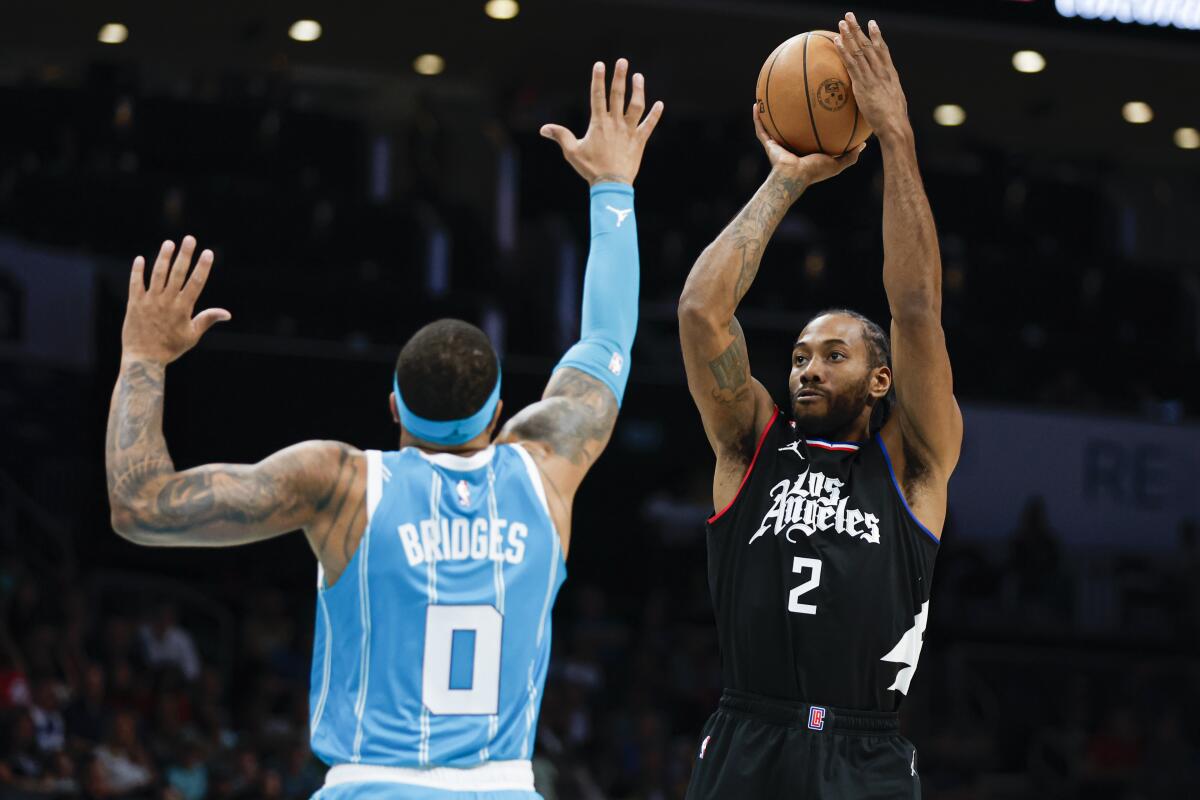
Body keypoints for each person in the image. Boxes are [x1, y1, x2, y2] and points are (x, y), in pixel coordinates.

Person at [104, 58, 662, 799]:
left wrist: (143, 358)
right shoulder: (547, 466)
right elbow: (607, 343)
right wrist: (613, 188)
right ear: (498, 413)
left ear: (393, 406)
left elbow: (140, 508)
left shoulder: (340, 483)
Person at [677, 13, 962, 799]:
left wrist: (898, 140)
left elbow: (916, 308)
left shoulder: (912, 461)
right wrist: (788, 179)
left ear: (880, 380)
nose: (807, 369)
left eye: (833, 356)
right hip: (747, 735)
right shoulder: (750, 445)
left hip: (861, 752)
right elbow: (702, 313)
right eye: (800, 355)